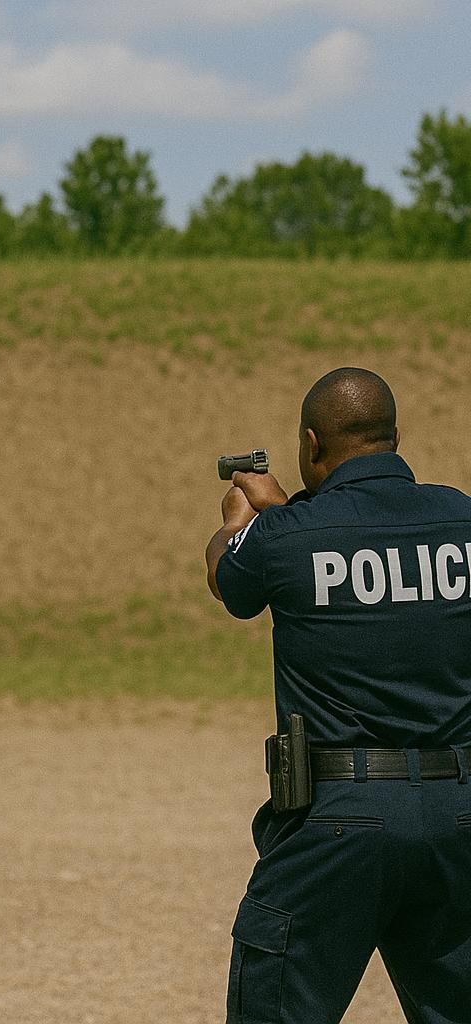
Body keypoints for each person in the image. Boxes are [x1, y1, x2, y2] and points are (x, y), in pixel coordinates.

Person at [206, 367, 471, 1024]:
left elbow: (230, 581)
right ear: (395, 436)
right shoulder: (463, 518)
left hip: (336, 817)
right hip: (459, 815)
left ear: (311, 443)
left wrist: (240, 523)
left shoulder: (287, 535)